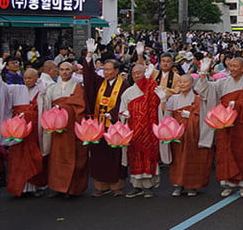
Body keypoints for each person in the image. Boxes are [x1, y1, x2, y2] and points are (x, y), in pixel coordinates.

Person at [196, 56, 243, 198]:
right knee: (225, 153)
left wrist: (237, 105)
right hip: (225, 124)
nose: (232, 69)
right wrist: (203, 74)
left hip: (242, 125)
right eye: (230, 66)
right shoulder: (223, 82)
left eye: (235, 66)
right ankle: (227, 184)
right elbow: (205, 90)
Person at [81, 40, 130, 197]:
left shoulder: (124, 85)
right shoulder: (100, 82)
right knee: (99, 156)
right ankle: (101, 186)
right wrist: (89, 55)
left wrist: (115, 115)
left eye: (109, 70)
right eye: (104, 70)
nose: (106, 73)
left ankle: (117, 186)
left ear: (117, 71)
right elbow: (88, 78)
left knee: (114, 156)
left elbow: (126, 103)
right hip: (99, 125)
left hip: (115, 126)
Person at [162, 74, 214, 197]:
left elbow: (202, 118)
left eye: (185, 82)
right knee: (178, 160)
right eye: (180, 82)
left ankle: (192, 186)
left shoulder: (198, 99)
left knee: (192, 159)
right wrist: (163, 101)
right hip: (178, 135)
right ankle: (178, 185)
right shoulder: (173, 99)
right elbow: (167, 116)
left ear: (192, 84)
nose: (182, 84)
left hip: (192, 134)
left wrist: (191, 116)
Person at [0, 64, 46, 197]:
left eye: (30, 78)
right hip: (18, 130)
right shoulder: (16, 89)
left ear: (36, 78)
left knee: (34, 157)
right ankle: (21, 187)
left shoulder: (42, 90)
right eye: (25, 78)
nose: (27, 80)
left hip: (34, 131)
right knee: (18, 158)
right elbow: (2, 88)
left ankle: (36, 187)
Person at [43, 62, 87, 196]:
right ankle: (57, 187)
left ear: (72, 71)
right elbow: (47, 107)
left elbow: (80, 106)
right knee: (56, 157)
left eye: (67, 69)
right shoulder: (51, 88)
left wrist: (64, 109)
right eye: (61, 70)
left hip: (70, 128)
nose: (64, 72)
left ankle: (72, 188)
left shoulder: (78, 87)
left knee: (72, 157)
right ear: (57, 71)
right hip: (56, 129)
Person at [119, 62, 161, 198]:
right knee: (135, 157)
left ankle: (149, 186)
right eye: (134, 74)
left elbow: (155, 102)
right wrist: (124, 115)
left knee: (148, 157)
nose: (137, 76)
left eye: (139, 73)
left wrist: (149, 81)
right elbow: (122, 109)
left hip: (148, 129)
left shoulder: (152, 88)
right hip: (134, 130)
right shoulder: (128, 92)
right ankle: (136, 186)